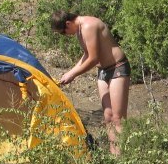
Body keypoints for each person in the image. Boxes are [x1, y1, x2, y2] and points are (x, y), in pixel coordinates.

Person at [50, 11, 130, 155]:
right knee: (108, 116)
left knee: (118, 118)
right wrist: (70, 72)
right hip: (103, 71)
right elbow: (87, 54)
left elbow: (93, 58)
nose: (64, 35)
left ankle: (123, 158)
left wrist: (73, 74)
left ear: (68, 23)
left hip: (117, 68)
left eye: (63, 32)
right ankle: (114, 155)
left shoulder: (88, 26)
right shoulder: (79, 30)